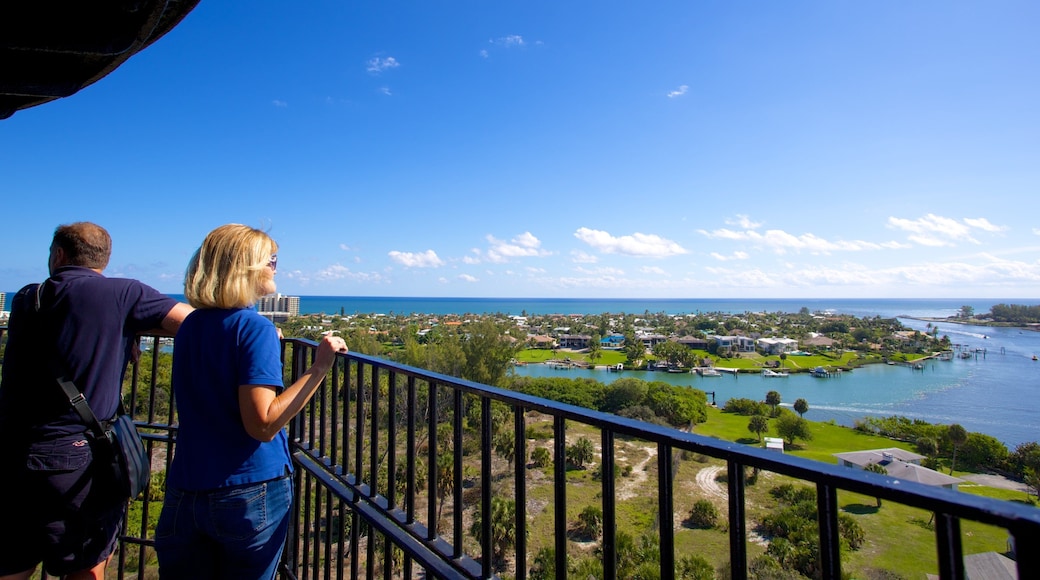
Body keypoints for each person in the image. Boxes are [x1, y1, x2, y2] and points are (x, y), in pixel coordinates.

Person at [0, 222, 193, 580]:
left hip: (14, 449)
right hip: (75, 459)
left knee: (12, 562)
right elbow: (194, 324)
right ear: (105, 258)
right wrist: (130, 326)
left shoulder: (28, 298)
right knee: (85, 568)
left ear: (58, 255)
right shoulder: (124, 294)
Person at [155, 224, 347, 579]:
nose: (275, 267)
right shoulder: (253, 328)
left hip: (186, 486)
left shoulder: (192, 325)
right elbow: (262, 424)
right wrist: (319, 367)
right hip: (247, 491)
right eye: (270, 260)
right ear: (247, 267)